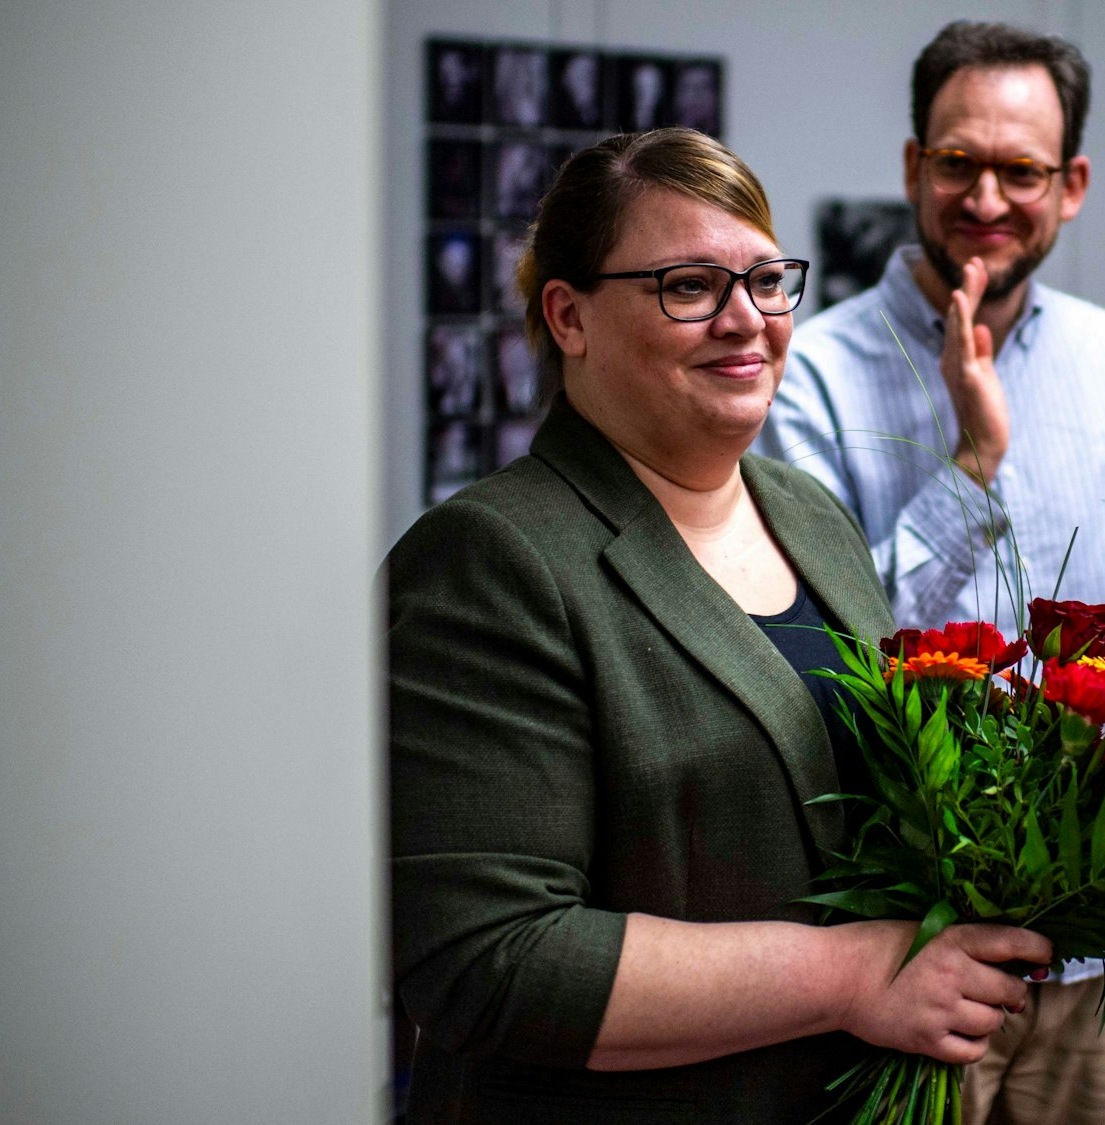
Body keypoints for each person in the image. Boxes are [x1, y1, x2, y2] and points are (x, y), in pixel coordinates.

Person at [388, 128, 1052, 1124]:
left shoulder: (808, 515)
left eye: (767, 281)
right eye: (689, 286)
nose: (747, 321)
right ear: (567, 316)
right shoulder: (490, 558)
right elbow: (490, 959)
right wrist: (852, 976)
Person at [756, 21, 1105, 1125]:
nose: (986, 196)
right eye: (957, 162)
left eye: (1020, 169)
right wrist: (969, 466)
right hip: (906, 962)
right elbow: (816, 664)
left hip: (1097, 967)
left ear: (1070, 185)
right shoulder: (812, 376)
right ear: (911, 168)